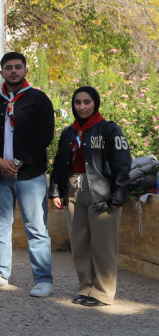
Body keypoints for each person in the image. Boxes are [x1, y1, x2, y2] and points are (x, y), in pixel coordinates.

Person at [0, 52, 55, 297]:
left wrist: (20, 161)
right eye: (8, 67)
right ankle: (1, 274)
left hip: (30, 175)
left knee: (37, 228)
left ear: (25, 70)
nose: (13, 71)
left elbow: (45, 135)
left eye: (18, 67)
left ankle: (43, 280)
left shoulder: (38, 99)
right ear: (1, 72)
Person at [48, 87, 132, 307]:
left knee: (103, 245)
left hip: (102, 191)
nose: (82, 107)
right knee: (80, 243)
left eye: (87, 102)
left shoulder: (109, 129)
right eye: (77, 102)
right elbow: (59, 163)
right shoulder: (69, 132)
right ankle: (85, 288)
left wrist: (118, 194)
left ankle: (103, 292)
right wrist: (56, 191)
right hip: (73, 189)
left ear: (95, 103)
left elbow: (122, 163)